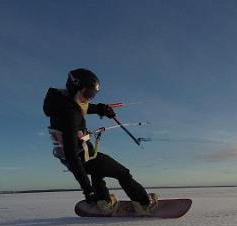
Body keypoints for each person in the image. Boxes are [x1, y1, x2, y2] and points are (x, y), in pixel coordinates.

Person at [43, 68, 157, 215]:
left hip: (78, 157)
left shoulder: (61, 102)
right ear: (75, 87)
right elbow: (72, 155)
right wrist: (87, 189)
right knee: (123, 173)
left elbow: (83, 107)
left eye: (93, 95)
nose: (89, 98)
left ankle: (104, 202)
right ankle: (144, 204)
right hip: (81, 158)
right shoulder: (70, 115)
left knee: (98, 171)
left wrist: (101, 109)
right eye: (87, 94)